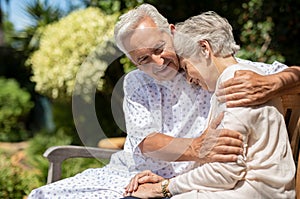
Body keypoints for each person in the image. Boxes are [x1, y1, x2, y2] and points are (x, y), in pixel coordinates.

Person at [28, 4, 298, 199]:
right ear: (132, 61)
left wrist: (277, 81)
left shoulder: (221, 71)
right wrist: (197, 147)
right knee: (43, 195)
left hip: (189, 184)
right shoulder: (136, 83)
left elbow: (289, 72)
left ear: (171, 32)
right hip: (141, 175)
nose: (157, 63)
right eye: (143, 59)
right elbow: (146, 140)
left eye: (159, 49)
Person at [123, 11, 295, 199]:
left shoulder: (237, 83)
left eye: (187, 67)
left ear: (204, 48)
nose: (188, 79)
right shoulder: (236, 77)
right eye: (144, 59)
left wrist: (164, 187)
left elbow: (225, 171)